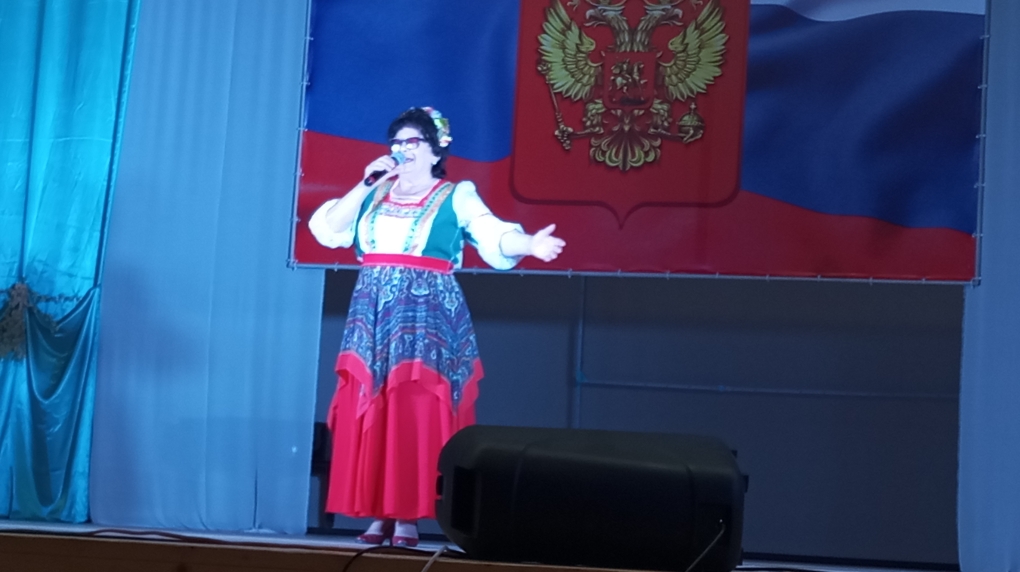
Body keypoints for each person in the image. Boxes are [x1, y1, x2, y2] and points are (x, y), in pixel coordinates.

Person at [308, 107, 565, 546]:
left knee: (413, 408)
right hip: (372, 311)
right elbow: (328, 230)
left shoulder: (455, 195)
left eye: (413, 142)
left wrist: (528, 243)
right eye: (397, 142)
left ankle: (407, 516)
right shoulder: (373, 192)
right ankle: (377, 514)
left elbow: (491, 233)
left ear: (435, 150)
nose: (402, 150)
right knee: (372, 403)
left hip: (426, 313)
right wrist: (365, 183)